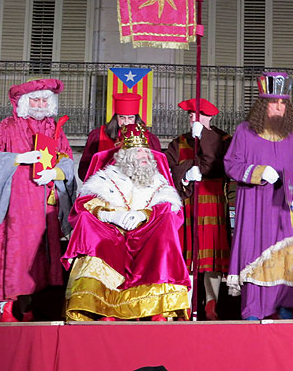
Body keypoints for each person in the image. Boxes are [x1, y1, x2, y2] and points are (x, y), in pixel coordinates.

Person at [62, 124, 190, 321]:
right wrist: (110, 216)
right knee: (93, 232)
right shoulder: (106, 178)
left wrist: (144, 214)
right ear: (126, 156)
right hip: (113, 233)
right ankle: (101, 306)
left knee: (165, 228)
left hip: (147, 235)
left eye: (146, 152)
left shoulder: (158, 183)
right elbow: (85, 204)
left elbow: (169, 208)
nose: (145, 156)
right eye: (139, 152)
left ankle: (157, 308)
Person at [223, 72, 293, 320]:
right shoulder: (245, 131)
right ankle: (253, 312)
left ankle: (284, 309)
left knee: (286, 256)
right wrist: (258, 172)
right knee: (254, 253)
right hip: (254, 204)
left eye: (283, 103)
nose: (280, 107)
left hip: (285, 206)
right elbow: (231, 164)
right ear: (263, 104)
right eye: (274, 102)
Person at [0, 79, 76, 322]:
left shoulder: (54, 129)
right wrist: (17, 158)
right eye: (35, 99)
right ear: (23, 102)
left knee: (38, 259)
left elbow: (67, 160)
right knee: (15, 255)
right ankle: (7, 308)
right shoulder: (7, 127)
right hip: (16, 206)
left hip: (44, 205)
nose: (40, 104)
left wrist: (56, 173)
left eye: (44, 100)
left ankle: (28, 307)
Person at [165, 97, 232, 320]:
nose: (192, 118)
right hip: (188, 204)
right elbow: (169, 169)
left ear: (209, 116)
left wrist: (204, 136)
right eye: (190, 114)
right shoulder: (179, 142)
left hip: (213, 202)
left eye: (198, 114)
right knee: (187, 256)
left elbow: (222, 164)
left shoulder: (224, 139)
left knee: (212, 257)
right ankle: (185, 303)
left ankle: (211, 302)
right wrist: (185, 173)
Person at [78, 92, 161, 181]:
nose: (126, 122)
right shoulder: (98, 136)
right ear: (116, 117)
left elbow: (158, 168)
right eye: (122, 118)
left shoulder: (149, 139)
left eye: (130, 118)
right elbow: (85, 169)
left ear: (136, 118)